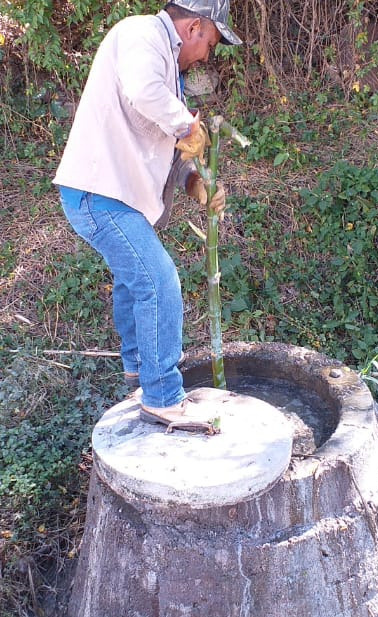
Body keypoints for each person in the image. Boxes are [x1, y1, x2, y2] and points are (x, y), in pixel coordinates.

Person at [52, 1, 241, 430]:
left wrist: (195, 182)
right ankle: (162, 396)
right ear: (193, 26)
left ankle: (138, 369)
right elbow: (146, 95)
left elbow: (165, 141)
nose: (206, 56)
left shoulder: (166, 72)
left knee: (134, 280)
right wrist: (188, 126)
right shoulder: (141, 35)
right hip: (96, 192)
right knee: (158, 282)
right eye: (209, 43)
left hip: (113, 196)